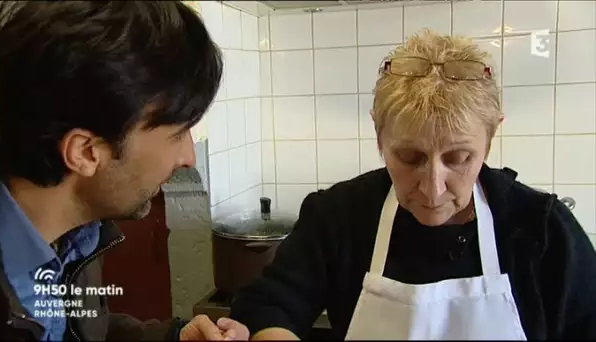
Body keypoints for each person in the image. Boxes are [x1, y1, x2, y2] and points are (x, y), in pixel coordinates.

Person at [230, 29, 596, 340]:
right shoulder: (339, 218)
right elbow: (267, 306)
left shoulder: (542, 231)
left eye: (458, 158)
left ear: (491, 135)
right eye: (410, 158)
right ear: (378, 135)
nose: (433, 189)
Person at [0, 1, 249, 341]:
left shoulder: (76, 238)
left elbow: (77, 331)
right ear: (85, 152)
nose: (188, 157)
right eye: (178, 133)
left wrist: (173, 339)